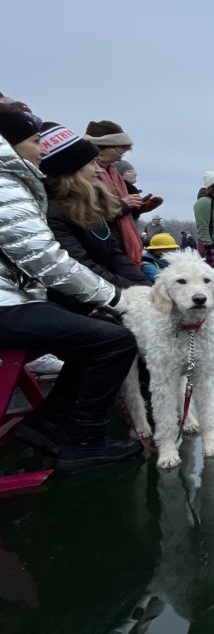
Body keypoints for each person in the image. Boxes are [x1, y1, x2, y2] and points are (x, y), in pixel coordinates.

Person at [0, 103, 141, 469]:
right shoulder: (6, 184)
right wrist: (117, 298)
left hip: (16, 299)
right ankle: (84, 440)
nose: (42, 148)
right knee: (115, 340)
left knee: (103, 332)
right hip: (7, 306)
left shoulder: (16, 182)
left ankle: (47, 424)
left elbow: (106, 257)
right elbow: (48, 260)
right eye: (34, 140)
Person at [41, 124, 148, 292]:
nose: (98, 170)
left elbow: (114, 254)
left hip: (107, 285)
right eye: (92, 163)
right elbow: (83, 265)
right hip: (88, 294)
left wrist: (147, 286)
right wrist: (134, 292)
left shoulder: (89, 204)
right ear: (70, 169)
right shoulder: (53, 213)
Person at [84, 120, 147, 268]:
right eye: (119, 152)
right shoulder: (86, 173)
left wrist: (136, 209)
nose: (120, 158)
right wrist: (124, 204)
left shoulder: (112, 172)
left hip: (117, 244)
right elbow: (91, 212)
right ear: (101, 147)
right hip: (103, 246)